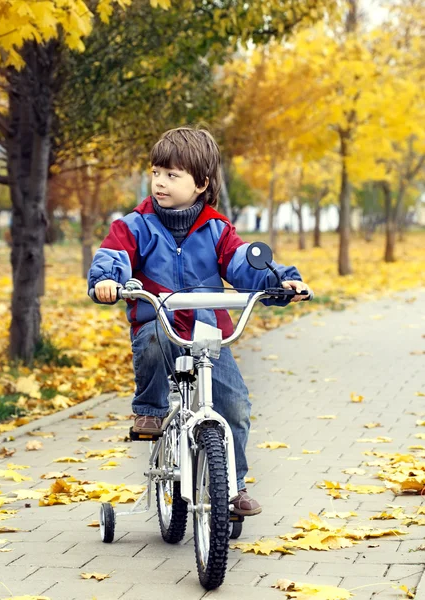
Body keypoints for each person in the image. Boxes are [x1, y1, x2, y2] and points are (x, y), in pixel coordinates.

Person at [87, 126, 311, 516]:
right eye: (156, 171)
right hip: (159, 320)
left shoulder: (217, 229)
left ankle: (234, 485)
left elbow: (243, 263)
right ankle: (152, 410)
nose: (160, 182)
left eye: (173, 175)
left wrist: (279, 281)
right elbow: (115, 255)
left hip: (206, 332)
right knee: (153, 334)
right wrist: (108, 279)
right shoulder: (134, 226)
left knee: (235, 404)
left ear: (201, 183)